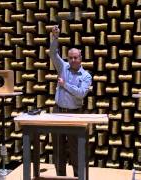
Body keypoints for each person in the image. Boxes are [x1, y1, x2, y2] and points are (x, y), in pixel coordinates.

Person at [49, 25, 92, 176]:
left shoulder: (86, 76)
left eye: (76, 57)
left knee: (76, 149)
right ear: (68, 58)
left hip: (75, 114)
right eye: (71, 57)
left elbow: (80, 94)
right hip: (58, 111)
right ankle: (60, 176)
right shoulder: (62, 67)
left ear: (81, 58)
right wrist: (55, 37)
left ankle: (77, 176)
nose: (73, 60)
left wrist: (65, 85)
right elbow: (53, 53)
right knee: (58, 148)